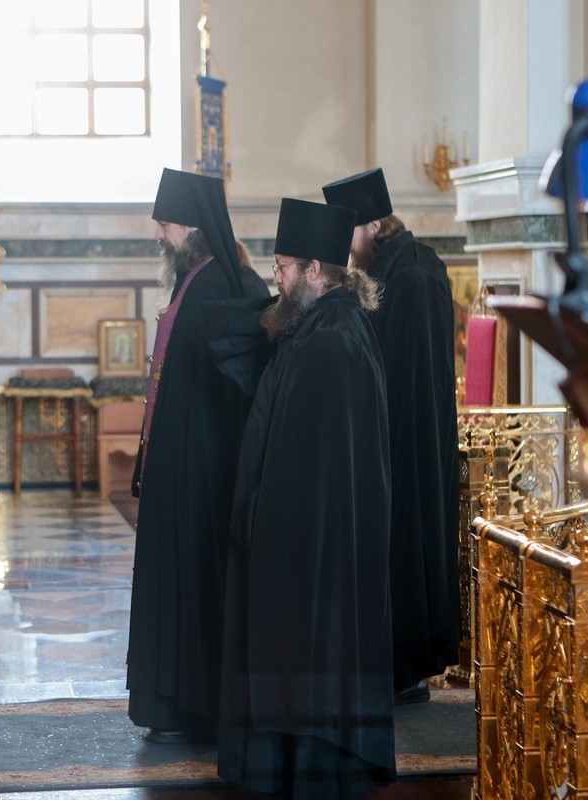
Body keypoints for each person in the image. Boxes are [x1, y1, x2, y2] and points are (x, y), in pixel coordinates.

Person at [218, 198, 395, 799]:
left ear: (315, 270)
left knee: (312, 652)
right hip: (308, 538)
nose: (277, 278)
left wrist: (267, 524)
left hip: (314, 546)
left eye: (283, 267)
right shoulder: (321, 327)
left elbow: (313, 465)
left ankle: (313, 769)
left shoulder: (333, 340)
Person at [127, 167, 269, 745]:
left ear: (193, 225)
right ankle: (171, 702)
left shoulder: (230, 284)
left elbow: (245, 382)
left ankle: (195, 704)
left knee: (197, 583)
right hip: (176, 465)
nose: (159, 234)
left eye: (166, 224)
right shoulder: (195, 280)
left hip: (206, 472)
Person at [323, 167, 460, 704]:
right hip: (395, 437)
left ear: (375, 225)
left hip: (407, 444)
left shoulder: (413, 277)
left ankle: (406, 669)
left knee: (406, 549)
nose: (347, 245)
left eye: (351, 232)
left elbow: (402, 375)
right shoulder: (398, 268)